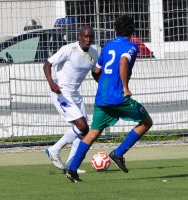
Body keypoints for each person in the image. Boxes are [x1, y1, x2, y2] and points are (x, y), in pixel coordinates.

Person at [64, 15, 153, 183]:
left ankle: (72, 169)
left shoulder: (107, 46)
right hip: (119, 98)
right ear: (132, 31)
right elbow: (123, 62)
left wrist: (105, 84)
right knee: (147, 122)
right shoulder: (132, 47)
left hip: (102, 98)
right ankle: (118, 153)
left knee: (93, 133)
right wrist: (125, 87)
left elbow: (96, 71)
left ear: (116, 30)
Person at [43, 25, 98, 173]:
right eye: (85, 37)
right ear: (79, 37)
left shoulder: (94, 53)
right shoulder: (69, 49)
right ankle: (54, 150)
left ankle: (71, 165)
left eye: (90, 37)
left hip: (74, 94)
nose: (88, 40)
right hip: (61, 92)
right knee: (82, 126)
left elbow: (95, 72)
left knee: (84, 132)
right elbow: (47, 64)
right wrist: (52, 83)